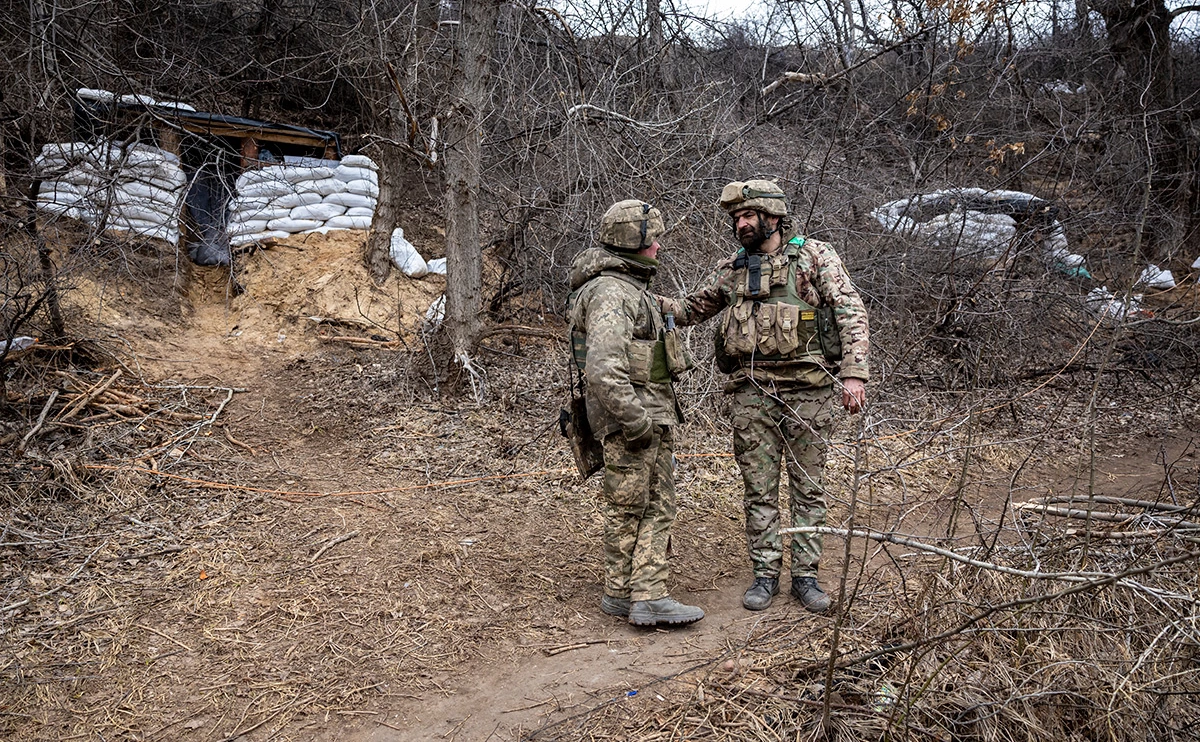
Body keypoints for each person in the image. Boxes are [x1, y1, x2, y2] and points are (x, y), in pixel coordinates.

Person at [659, 180, 869, 614]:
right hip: (752, 395)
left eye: (747, 216)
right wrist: (640, 298)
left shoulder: (814, 257)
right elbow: (692, 308)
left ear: (772, 216)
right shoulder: (734, 268)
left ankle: (806, 577)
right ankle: (766, 575)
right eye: (736, 218)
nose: (740, 224)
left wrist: (854, 374)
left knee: (808, 487)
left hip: (809, 391)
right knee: (759, 490)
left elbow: (851, 310)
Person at [567, 199, 704, 628]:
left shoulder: (623, 287)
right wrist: (636, 421)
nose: (659, 246)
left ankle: (620, 592)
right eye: (654, 238)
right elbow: (604, 368)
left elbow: (680, 310)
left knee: (628, 505)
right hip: (637, 418)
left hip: (638, 413)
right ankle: (650, 595)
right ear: (635, 241)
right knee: (653, 505)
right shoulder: (614, 292)